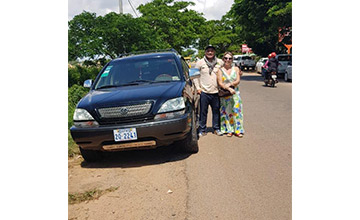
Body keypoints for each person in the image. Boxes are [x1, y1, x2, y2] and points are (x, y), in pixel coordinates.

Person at [194, 45, 224, 137]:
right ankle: (202, 129)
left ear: (214, 52)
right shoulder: (200, 63)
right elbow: (194, 76)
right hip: (204, 92)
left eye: (212, 51)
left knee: (216, 111)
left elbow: (227, 71)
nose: (210, 53)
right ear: (205, 52)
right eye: (208, 51)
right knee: (203, 111)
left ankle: (216, 128)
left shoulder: (220, 62)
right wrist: (198, 88)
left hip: (216, 91)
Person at [216, 51, 244, 137]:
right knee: (227, 112)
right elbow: (220, 83)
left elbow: (237, 80)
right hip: (225, 94)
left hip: (235, 92)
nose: (227, 60)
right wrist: (228, 88)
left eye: (230, 58)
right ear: (223, 59)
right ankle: (229, 129)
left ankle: (238, 130)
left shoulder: (236, 68)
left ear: (232, 60)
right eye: (226, 58)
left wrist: (231, 85)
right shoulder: (220, 70)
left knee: (236, 111)